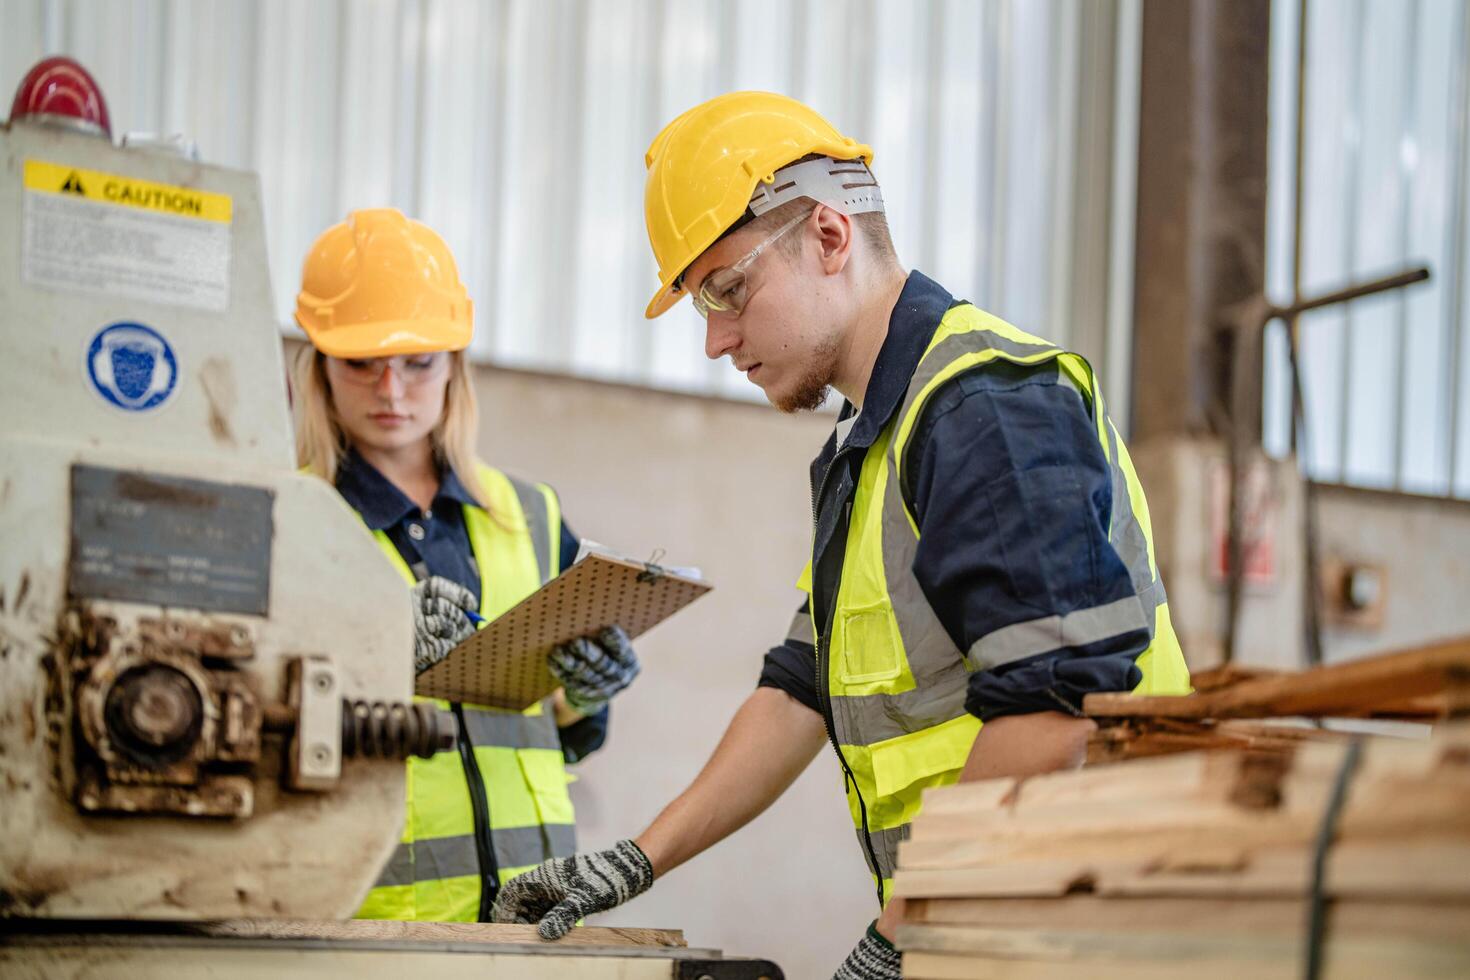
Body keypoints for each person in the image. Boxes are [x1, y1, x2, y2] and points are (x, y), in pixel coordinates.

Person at [492, 93, 1192, 977]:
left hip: (1089, 941)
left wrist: (898, 937)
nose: (714, 339)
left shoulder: (983, 408)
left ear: (829, 235)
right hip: (987, 936)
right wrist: (636, 860)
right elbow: (799, 690)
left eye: (727, 289)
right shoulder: (868, 448)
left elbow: (1056, 715)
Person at [292, 208, 641, 923]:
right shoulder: (288, 518)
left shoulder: (530, 514)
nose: (392, 392)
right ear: (320, 365)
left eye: (418, 363)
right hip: (370, 929)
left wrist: (588, 691)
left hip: (535, 920)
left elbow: (563, 731)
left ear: (454, 363)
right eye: (363, 364)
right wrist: (374, 653)